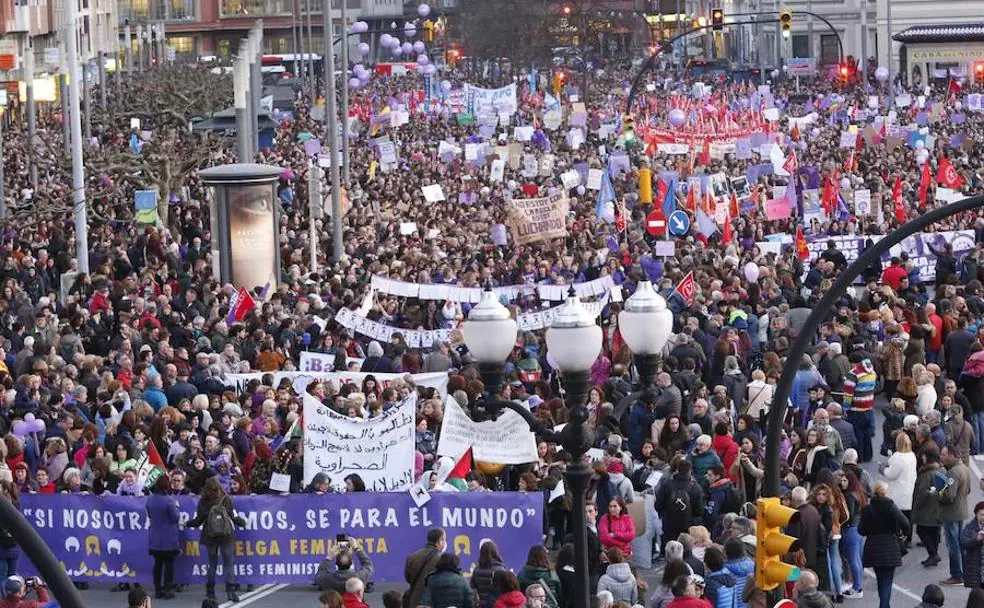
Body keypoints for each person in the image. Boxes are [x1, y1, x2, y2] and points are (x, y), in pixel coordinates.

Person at [185, 476, 247, 602]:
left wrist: (187, 523)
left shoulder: (203, 501)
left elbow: (197, 522)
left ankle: (210, 592)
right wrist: (243, 522)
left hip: (210, 535)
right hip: (226, 535)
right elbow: (234, 516)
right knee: (228, 564)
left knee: (212, 564)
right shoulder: (226, 499)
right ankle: (231, 592)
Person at [860, 482, 910, 608]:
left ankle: (884, 605)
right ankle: (884, 605)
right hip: (890, 546)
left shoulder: (868, 508)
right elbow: (905, 523)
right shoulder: (891, 506)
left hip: (873, 547)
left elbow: (861, 530)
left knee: (881, 580)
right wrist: (903, 535)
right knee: (887, 581)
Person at [939, 445, 971, 585]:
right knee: (959, 543)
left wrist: (938, 494)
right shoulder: (964, 468)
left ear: (951, 455)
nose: (941, 457)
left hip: (951, 513)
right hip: (961, 510)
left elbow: (949, 495)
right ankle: (964, 572)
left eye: (944, 454)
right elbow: (968, 489)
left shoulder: (952, 472)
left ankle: (957, 575)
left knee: (953, 546)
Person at [146, 481, 182, 599]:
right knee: (169, 564)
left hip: (155, 537)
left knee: (158, 564)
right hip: (168, 537)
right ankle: (168, 589)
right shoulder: (170, 501)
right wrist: (177, 507)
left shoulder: (150, 500)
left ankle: (158, 589)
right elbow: (175, 517)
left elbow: (150, 515)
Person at [912, 447, 943, 568]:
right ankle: (933, 555)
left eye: (924, 456)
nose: (922, 458)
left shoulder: (926, 474)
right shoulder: (942, 471)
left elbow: (921, 493)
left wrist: (916, 507)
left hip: (926, 510)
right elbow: (948, 483)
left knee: (922, 530)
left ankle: (933, 554)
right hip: (938, 508)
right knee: (934, 532)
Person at [404, 529, 446, 608]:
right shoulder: (442, 559)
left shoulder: (413, 556)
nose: (444, 543)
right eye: (444, 539)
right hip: (435, 601)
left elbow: (408, 578)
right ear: (439, 540)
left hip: (415, 600)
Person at [471, 540, 507, 608]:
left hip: (481, 605)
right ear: (496, 552)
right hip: (496, 605)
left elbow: (472, 588)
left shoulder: (476, 570)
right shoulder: (501, 570)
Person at [960, 501, 984, 588]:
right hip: (975, 570)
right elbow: (964, 543)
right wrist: (976, 539)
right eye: (981, 514)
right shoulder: (970, 527)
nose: (983, 517)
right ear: (976, 514)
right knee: (977, 597)